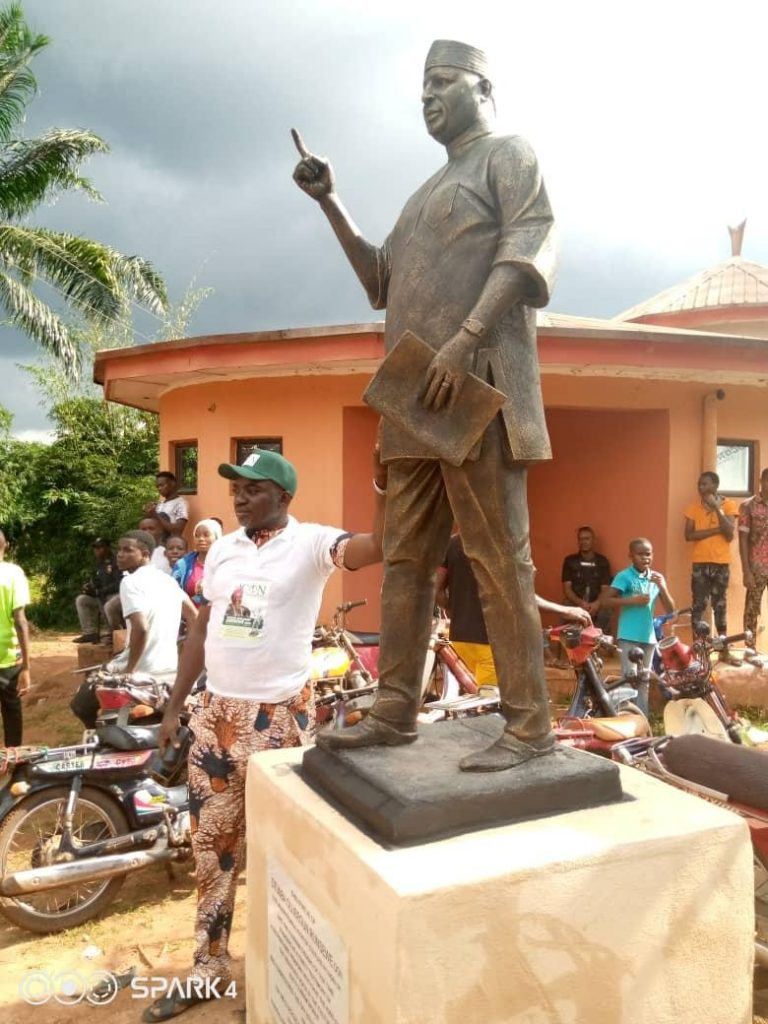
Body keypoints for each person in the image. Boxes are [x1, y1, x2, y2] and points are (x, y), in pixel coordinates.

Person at [293, 39, 557, 772]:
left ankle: (530, 725)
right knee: (405, 559)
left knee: (501, 562)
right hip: (413, 397)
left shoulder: (508, 155)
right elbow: (380, 278)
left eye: (443, 83)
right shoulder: (424, 194)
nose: (429, 96)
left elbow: (530, 245)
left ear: (483, 86)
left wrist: (468, 336)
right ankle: (393, 711)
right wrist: (330, 203)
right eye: (422, 87)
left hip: (477, 387)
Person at [145, 447, 386, 1021]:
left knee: (285, 855)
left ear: (284, 496)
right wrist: (178, 706)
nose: (239, 496)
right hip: (215, 718)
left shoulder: (312, 545)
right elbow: (204, 625)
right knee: (212, 850)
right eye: (236, 487)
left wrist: (381, 483)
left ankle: (288, 975)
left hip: (279, 718)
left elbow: (382, 547)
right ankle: (208, 968)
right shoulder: (223, 549)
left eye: (253, 488)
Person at [71, 530, 197, 729]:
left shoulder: (130, 582)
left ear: (145, 553)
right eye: (119, 550)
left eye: (128, 550)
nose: (120, 554)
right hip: (169, 670)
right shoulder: (168, 580)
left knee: (81, 704)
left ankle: (103, 744)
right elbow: (194, 617)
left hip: (141, 671)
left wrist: (128, 673)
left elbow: (141, 628)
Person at [435, 534, 590, 685]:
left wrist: (459, 610)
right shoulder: (501, 541)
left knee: (481, 696)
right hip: (490, 642)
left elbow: (436, 591)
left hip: (461, 640)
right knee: (490, 705)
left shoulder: (453, 543)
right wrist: (566, 610)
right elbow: (522, 597)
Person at [602, 538, 674, 716]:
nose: (645, 558)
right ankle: (626, 717)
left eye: (648, 554)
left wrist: (662, 587)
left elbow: (671, 609)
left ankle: (642, 718)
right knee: (629, 678)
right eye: (640, 554)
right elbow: (605, 600)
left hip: (647, 636)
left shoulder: (656, 578)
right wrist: (632, 601)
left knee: (644, 680)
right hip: (628, 635)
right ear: (631, 556)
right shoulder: (624, 576)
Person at [684, 471, 738, 650]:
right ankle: (697, 648)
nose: (701, 488)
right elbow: (689, 535)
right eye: (699, 484)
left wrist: (717, 508)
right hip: (700, 563)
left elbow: (729, 534)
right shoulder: (693, 508)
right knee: (698, 605)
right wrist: (716, 531)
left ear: (716, 485)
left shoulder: (729, 505)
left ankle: (723, 648)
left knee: (720, 605)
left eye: (705, 484)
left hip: (720, 563)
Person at [0, 529, 30, 746]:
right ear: (6, 545)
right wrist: (27, 667)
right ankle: (14, 760)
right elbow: (20, 620)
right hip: (7, 656)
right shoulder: (13, 573)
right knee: (11, 710)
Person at [738, 468, 768, 656]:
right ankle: (750, 648)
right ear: (761, 481)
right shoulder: (748, 506)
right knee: (752, 608)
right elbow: (742, 539)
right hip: (757, 565)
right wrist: (746, 571)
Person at [561, 526, 612, 633]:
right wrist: (581, 604)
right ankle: (566, 644)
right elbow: (567, 589)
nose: (583, 542)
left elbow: (605, 589)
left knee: (606, 610)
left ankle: (598, 642)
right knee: (565, 607)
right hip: (575, 602)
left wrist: (596, 604)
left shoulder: (602, 561)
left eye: (587, 539)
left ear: (593, 540)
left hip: (597, 603)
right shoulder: (570, 561)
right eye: (581, 539)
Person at [74, 538, 122, 644]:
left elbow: (119, 583)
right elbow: (98, 582)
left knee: (105, 599)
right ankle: (89, 633)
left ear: (108, 548)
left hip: (114, 595)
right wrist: (90, 587)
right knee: (82, 600)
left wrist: (102, 591)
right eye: (95, 548)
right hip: (102, 595)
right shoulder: (100, 564)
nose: (97, 550)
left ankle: (113, 633)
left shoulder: (117, 561)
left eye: (100, 547)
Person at [172, 520, 223, 606]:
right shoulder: (183, 565)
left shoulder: (226, 564)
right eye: (197, 535)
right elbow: (173, 593)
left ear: (217, 538)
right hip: (188, 618)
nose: (201, 539)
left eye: (206, 535)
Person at [144, 471, 189, 539]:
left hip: (169, 545)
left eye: (162, 485)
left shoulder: (181, 504)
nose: (159, 488)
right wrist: (149, 513)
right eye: (157, 486)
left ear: (172, 484)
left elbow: (178, 530)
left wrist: (156, 515)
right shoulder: (160, 504)